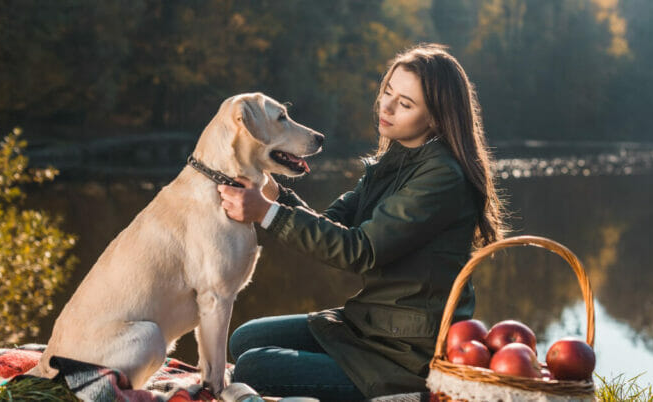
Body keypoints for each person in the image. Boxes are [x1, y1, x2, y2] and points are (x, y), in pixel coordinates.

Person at [217, 43, 506, 400]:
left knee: (254, 366)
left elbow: (359, 251)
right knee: (245, 338)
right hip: (367, 325)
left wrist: (263, 212)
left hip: (405, 353)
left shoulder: (441, 176)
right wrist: (275, 194)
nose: (386, 106)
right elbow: (332, 224)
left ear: (435, 118)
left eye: (405, 104)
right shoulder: (397, 158)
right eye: (388, 91)